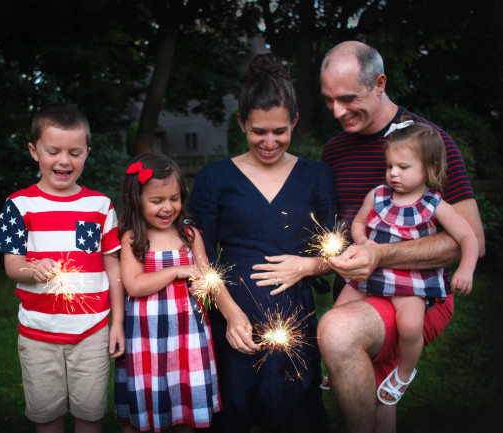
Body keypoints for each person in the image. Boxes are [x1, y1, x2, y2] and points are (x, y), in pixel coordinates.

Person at [315, 41, 486, 432]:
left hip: (418, 292)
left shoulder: (429, 142)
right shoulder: (335, 151)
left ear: (379, 83)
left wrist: (381, 255)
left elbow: (470, 238)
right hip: (362, 284)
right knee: (370, 387)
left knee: (338, 332)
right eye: (328, 100)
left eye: (347, 99)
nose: (337, 112)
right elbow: (343, 228)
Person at [189, 53, 335, 432]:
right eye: (258, 132)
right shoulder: (214, 178)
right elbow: (196, 253)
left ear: (295, 123)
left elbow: (337, 249)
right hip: (235, 317)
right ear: (241, 123)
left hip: (294, 316)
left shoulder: (317, 176)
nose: (269, 142)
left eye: (279, 131)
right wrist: (229, 312)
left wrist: (308, 265)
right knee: (235, 411)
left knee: (294, 415)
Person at [0, 102, 125, 433]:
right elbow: (11, 265)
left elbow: (113, 266)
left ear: (87, 153)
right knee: (46, 416)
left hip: (92, 331)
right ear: (34, 151)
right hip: (38, 332)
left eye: (74, 152)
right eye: (53, 151)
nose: (64, 160)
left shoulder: (100, 206)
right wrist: (30, 269)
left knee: (91, 414)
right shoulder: (18, 205)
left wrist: (117, 322)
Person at [333, 120, 479, 405]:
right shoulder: (378, 196)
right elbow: (358, 224)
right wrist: (363, 242)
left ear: (430, 168)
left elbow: (468, 237)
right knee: (336, 316)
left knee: (411, 326)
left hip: (411, 281)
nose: (393, 173)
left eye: (403, 167)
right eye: (389, 166)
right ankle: (341, 369)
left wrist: (466, 269)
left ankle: (404, 372)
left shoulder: (434, 204)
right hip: (372, 274)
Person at [114, 153, 221, 433]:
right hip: (147, 340)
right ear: (133, 199)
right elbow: (134, 285)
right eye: (157, 201)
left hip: (187, 336)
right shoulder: (133, 239)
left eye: (174, 198)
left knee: (184, 405)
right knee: (145, 404)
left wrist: (204, 287)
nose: (168, 208)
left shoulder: (190, 235)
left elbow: (209, 278)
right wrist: (175, 271)